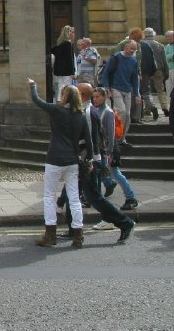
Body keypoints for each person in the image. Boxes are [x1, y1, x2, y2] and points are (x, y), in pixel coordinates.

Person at [28, 79, 92, 248]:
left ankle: (50, 235)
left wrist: (33, 84)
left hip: (55, 159)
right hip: (73, 160)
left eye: (62, 93)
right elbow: (88, 141)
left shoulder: (56, 110)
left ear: (65, 96)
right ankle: (78, 235)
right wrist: (90, 159)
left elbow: (36, 100)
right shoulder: (81, 116)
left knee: (49, 196)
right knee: (74, 199)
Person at [90, 86, 138, 221]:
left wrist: (109, 151)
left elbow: (111, 134)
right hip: (102, 148)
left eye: (98, 96)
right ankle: (100, 192)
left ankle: (131, 198)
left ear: (105, 97)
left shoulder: (108, 112)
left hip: (108, 149)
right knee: (100, 172)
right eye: (94, 97)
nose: (95, 99)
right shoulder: (96, 110)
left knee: (115, 173)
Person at [101, 40, 141, 147]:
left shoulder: (134, 61)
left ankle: (122, 139)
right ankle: (115, 137)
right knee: (122, 111)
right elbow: (106, 72)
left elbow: (134, 79)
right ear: (125, 47)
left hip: (127, 89)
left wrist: (137, 93)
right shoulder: (116, 57)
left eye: (135, 49)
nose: (133, 51)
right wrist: (107, 88)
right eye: (131, 48)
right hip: (115, 87)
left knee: (127, 115)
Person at [140, 28, 168, 120]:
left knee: (146, 90)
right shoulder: (159, 45)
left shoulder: (141, 45)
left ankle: (148, 109)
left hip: (146, 70)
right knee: (160, 89)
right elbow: (164, 61)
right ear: (153, 35)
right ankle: (164, 107)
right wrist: (166, 72)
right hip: (158, 70)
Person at [50, 25, 77, 102]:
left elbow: (52, 51)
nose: (73, 34)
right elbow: (69, 59)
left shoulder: (59, 44)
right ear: (68, 33)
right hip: (66, 71)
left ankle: (60, 101)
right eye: (72, 32)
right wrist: (72, 72)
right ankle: (65, 102)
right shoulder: (68, 43)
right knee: (67, 88)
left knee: (60, 87)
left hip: (58, 70)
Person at [165, 30, 174, 102]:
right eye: (167, 37)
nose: (168, 38)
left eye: (169, 37)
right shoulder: (167, 46)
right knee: (169, 89)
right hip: (168, 69)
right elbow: (165, 57)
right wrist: (171, 57)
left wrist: (169, 57)